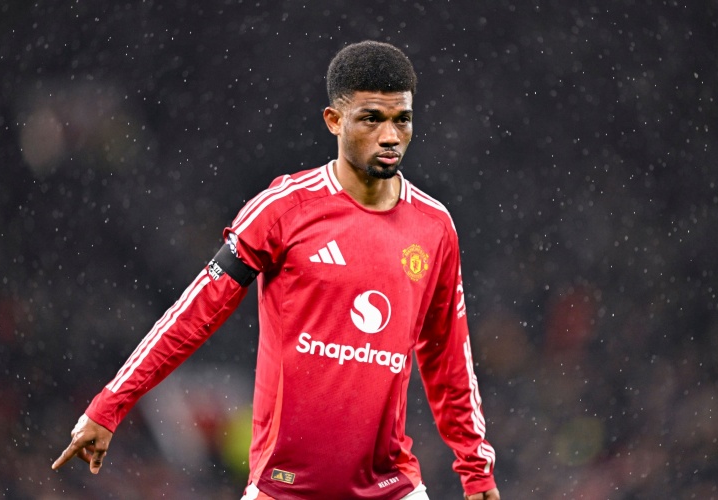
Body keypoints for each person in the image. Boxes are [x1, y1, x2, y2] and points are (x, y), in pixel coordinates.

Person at [52, 40, 501, 500]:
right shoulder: (283, 209)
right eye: (371, 118)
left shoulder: (434, 226)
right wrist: (110, 404)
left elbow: (448, 357)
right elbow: (194, 312)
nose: (390, 136)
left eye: (401, 119)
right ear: (334, 120)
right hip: (283, 488)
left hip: (391, 487)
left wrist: (476, 468)